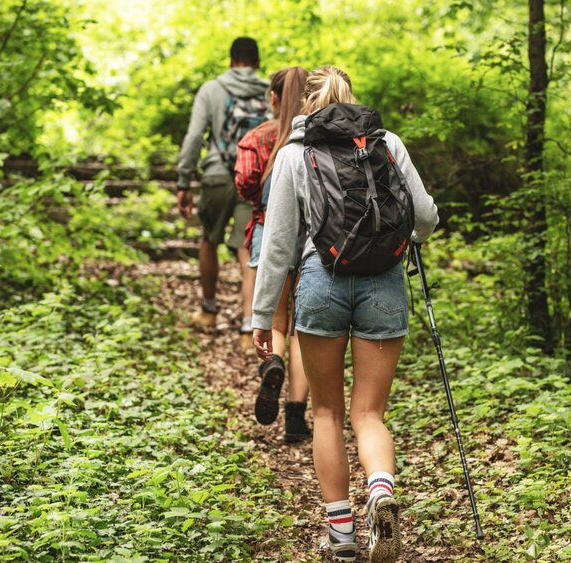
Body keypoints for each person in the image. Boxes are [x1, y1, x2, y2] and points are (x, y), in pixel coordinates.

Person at [251, 66, 439, 563]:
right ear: (352, 95)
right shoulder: (387, 143)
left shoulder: (294, 153)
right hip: (384, 284)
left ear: (304, 102)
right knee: (370, 412)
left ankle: (342, 537)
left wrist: (262, 315)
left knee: (328, 413)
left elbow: (277, 246)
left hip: (321, 285)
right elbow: (424, 217)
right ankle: (380, 490)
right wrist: (409, 240)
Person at [234, 66, 311, 441]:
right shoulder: (319, 139)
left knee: (275, 322)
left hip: (270, 234)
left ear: (274, 98)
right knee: (302, 330)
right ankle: (296, 418)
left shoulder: (259, 138)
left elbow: (245, 182)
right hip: (313, 240)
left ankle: (272, 365)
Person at [175, 37, 267, 346]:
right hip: (252, 176)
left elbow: (193, 137)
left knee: (208, 239)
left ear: (230, 60)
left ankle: (209, 311)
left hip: (216, 174)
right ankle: (247, 326)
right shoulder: (269, 91)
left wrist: (184, 182)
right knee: (246, 246)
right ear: (257, 62)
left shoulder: (211, 89)